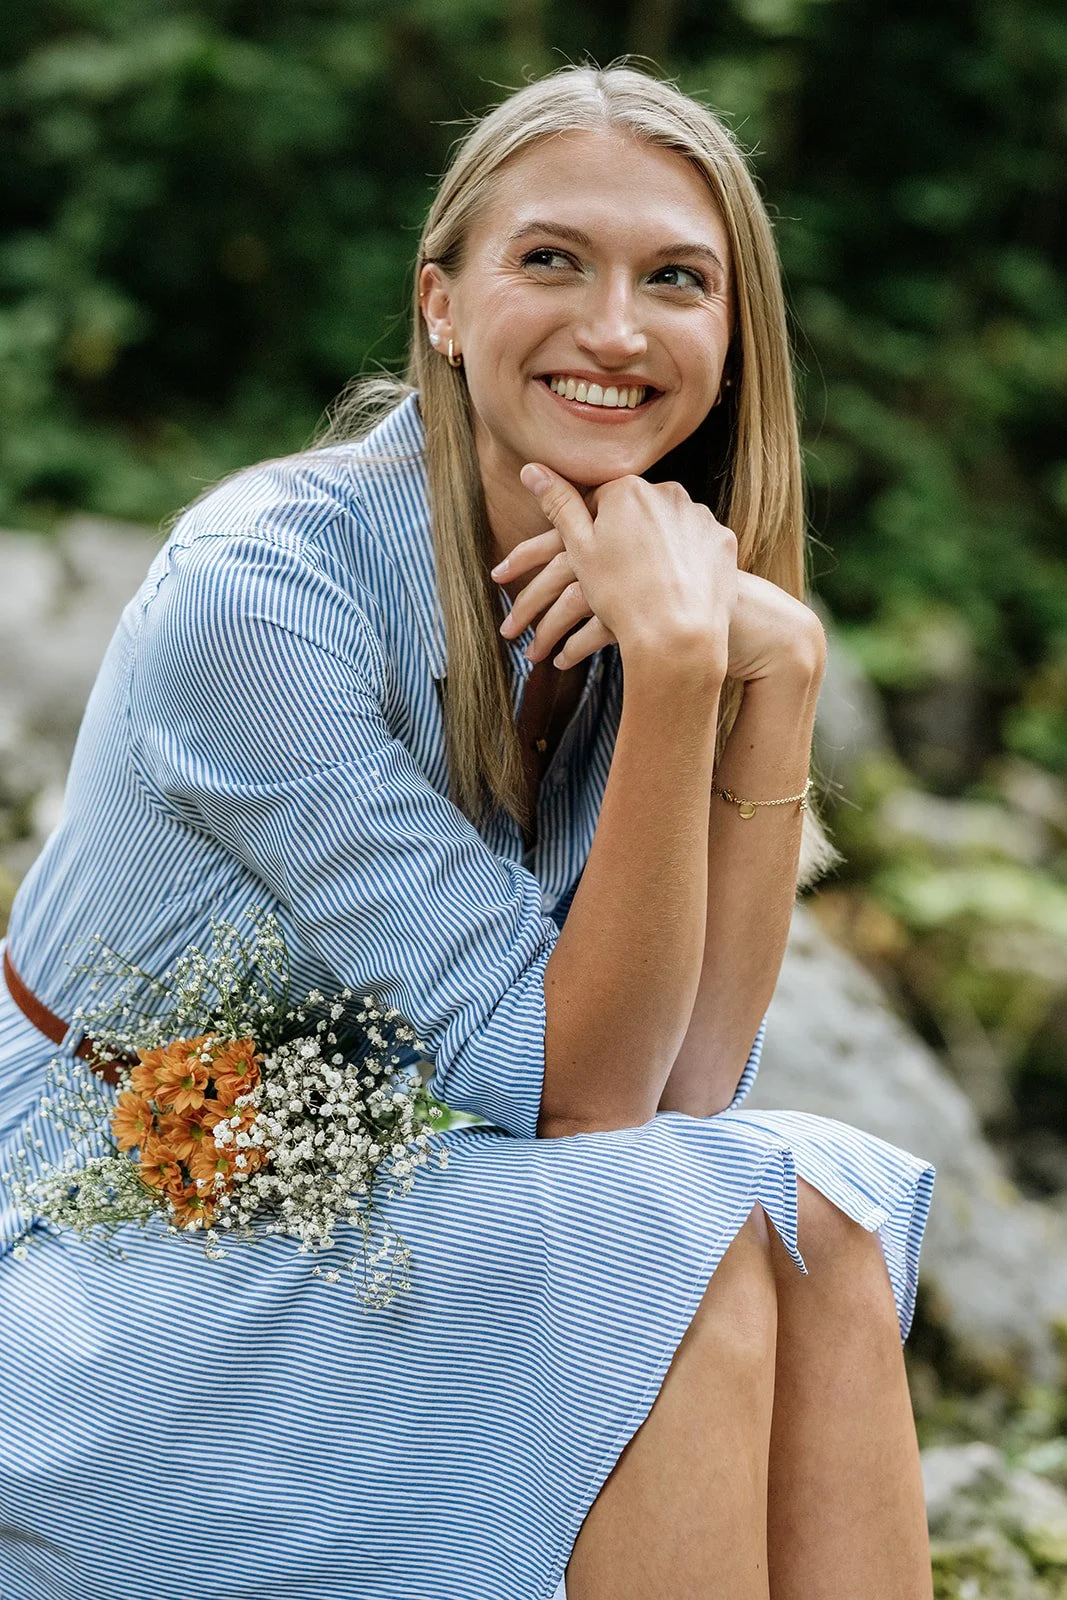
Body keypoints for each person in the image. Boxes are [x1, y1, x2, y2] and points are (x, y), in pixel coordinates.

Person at [0, 61, 937, 1600]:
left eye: (676, 281)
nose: (615, 328)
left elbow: (691, 1087)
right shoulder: (262, 596)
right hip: (92, 1245)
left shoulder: (646, 590)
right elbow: (589, 1105)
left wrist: (778, 677)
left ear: (732, 337)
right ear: (440, 303)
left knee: (814, 1205)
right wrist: (694, 669)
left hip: (336, 1203)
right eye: (550, 259)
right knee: (668, 1236)